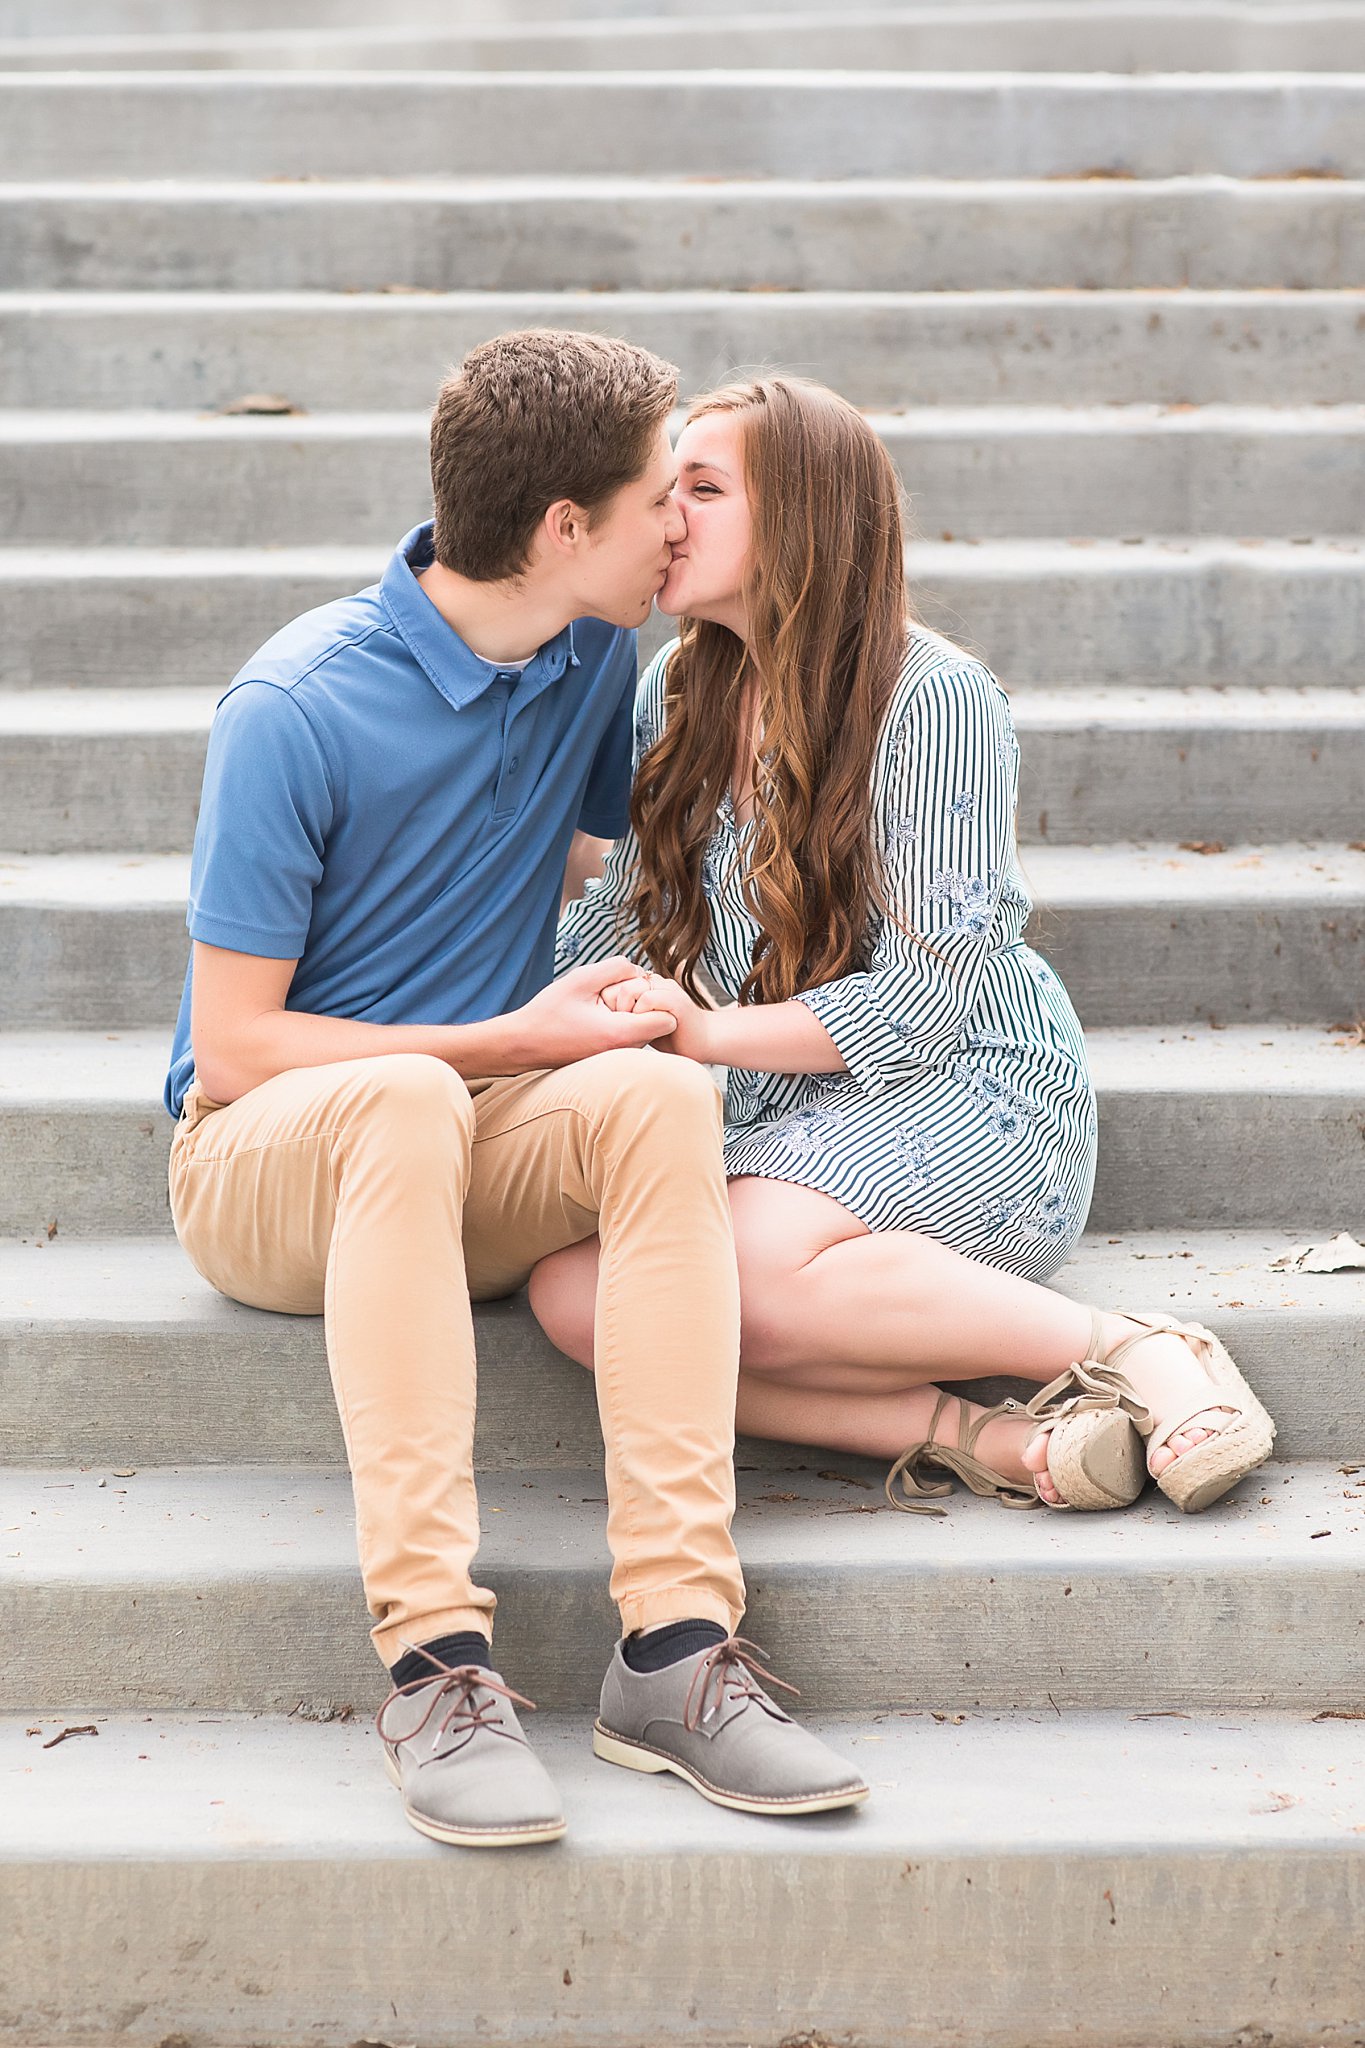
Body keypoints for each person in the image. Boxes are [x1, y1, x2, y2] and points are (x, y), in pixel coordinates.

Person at [162, 333, 869, 1852]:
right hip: (263, 1162)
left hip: (464, 1138)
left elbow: (656, 857)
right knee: (412, 1096)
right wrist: (501, 1038)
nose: (679, 526)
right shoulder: (292, 706)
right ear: (564, 531)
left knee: (656, 1100)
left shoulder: (588, 660)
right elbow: (233, 1050)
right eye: (654, 501)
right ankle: (433, 1660)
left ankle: (674, 1652)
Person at [533, 374, 1277, 1520]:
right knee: (578, 1294)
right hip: (770, 1109)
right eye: (667, 487)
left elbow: (932, 993)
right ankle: (993, 1439)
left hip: (968, 1091)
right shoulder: (676, 686)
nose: (670, 515)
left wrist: (706, 1030)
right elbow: (633, 906)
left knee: (742, 1273)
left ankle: (1133, 1346)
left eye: (704, 486)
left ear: (804, 518)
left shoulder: (933, 697)